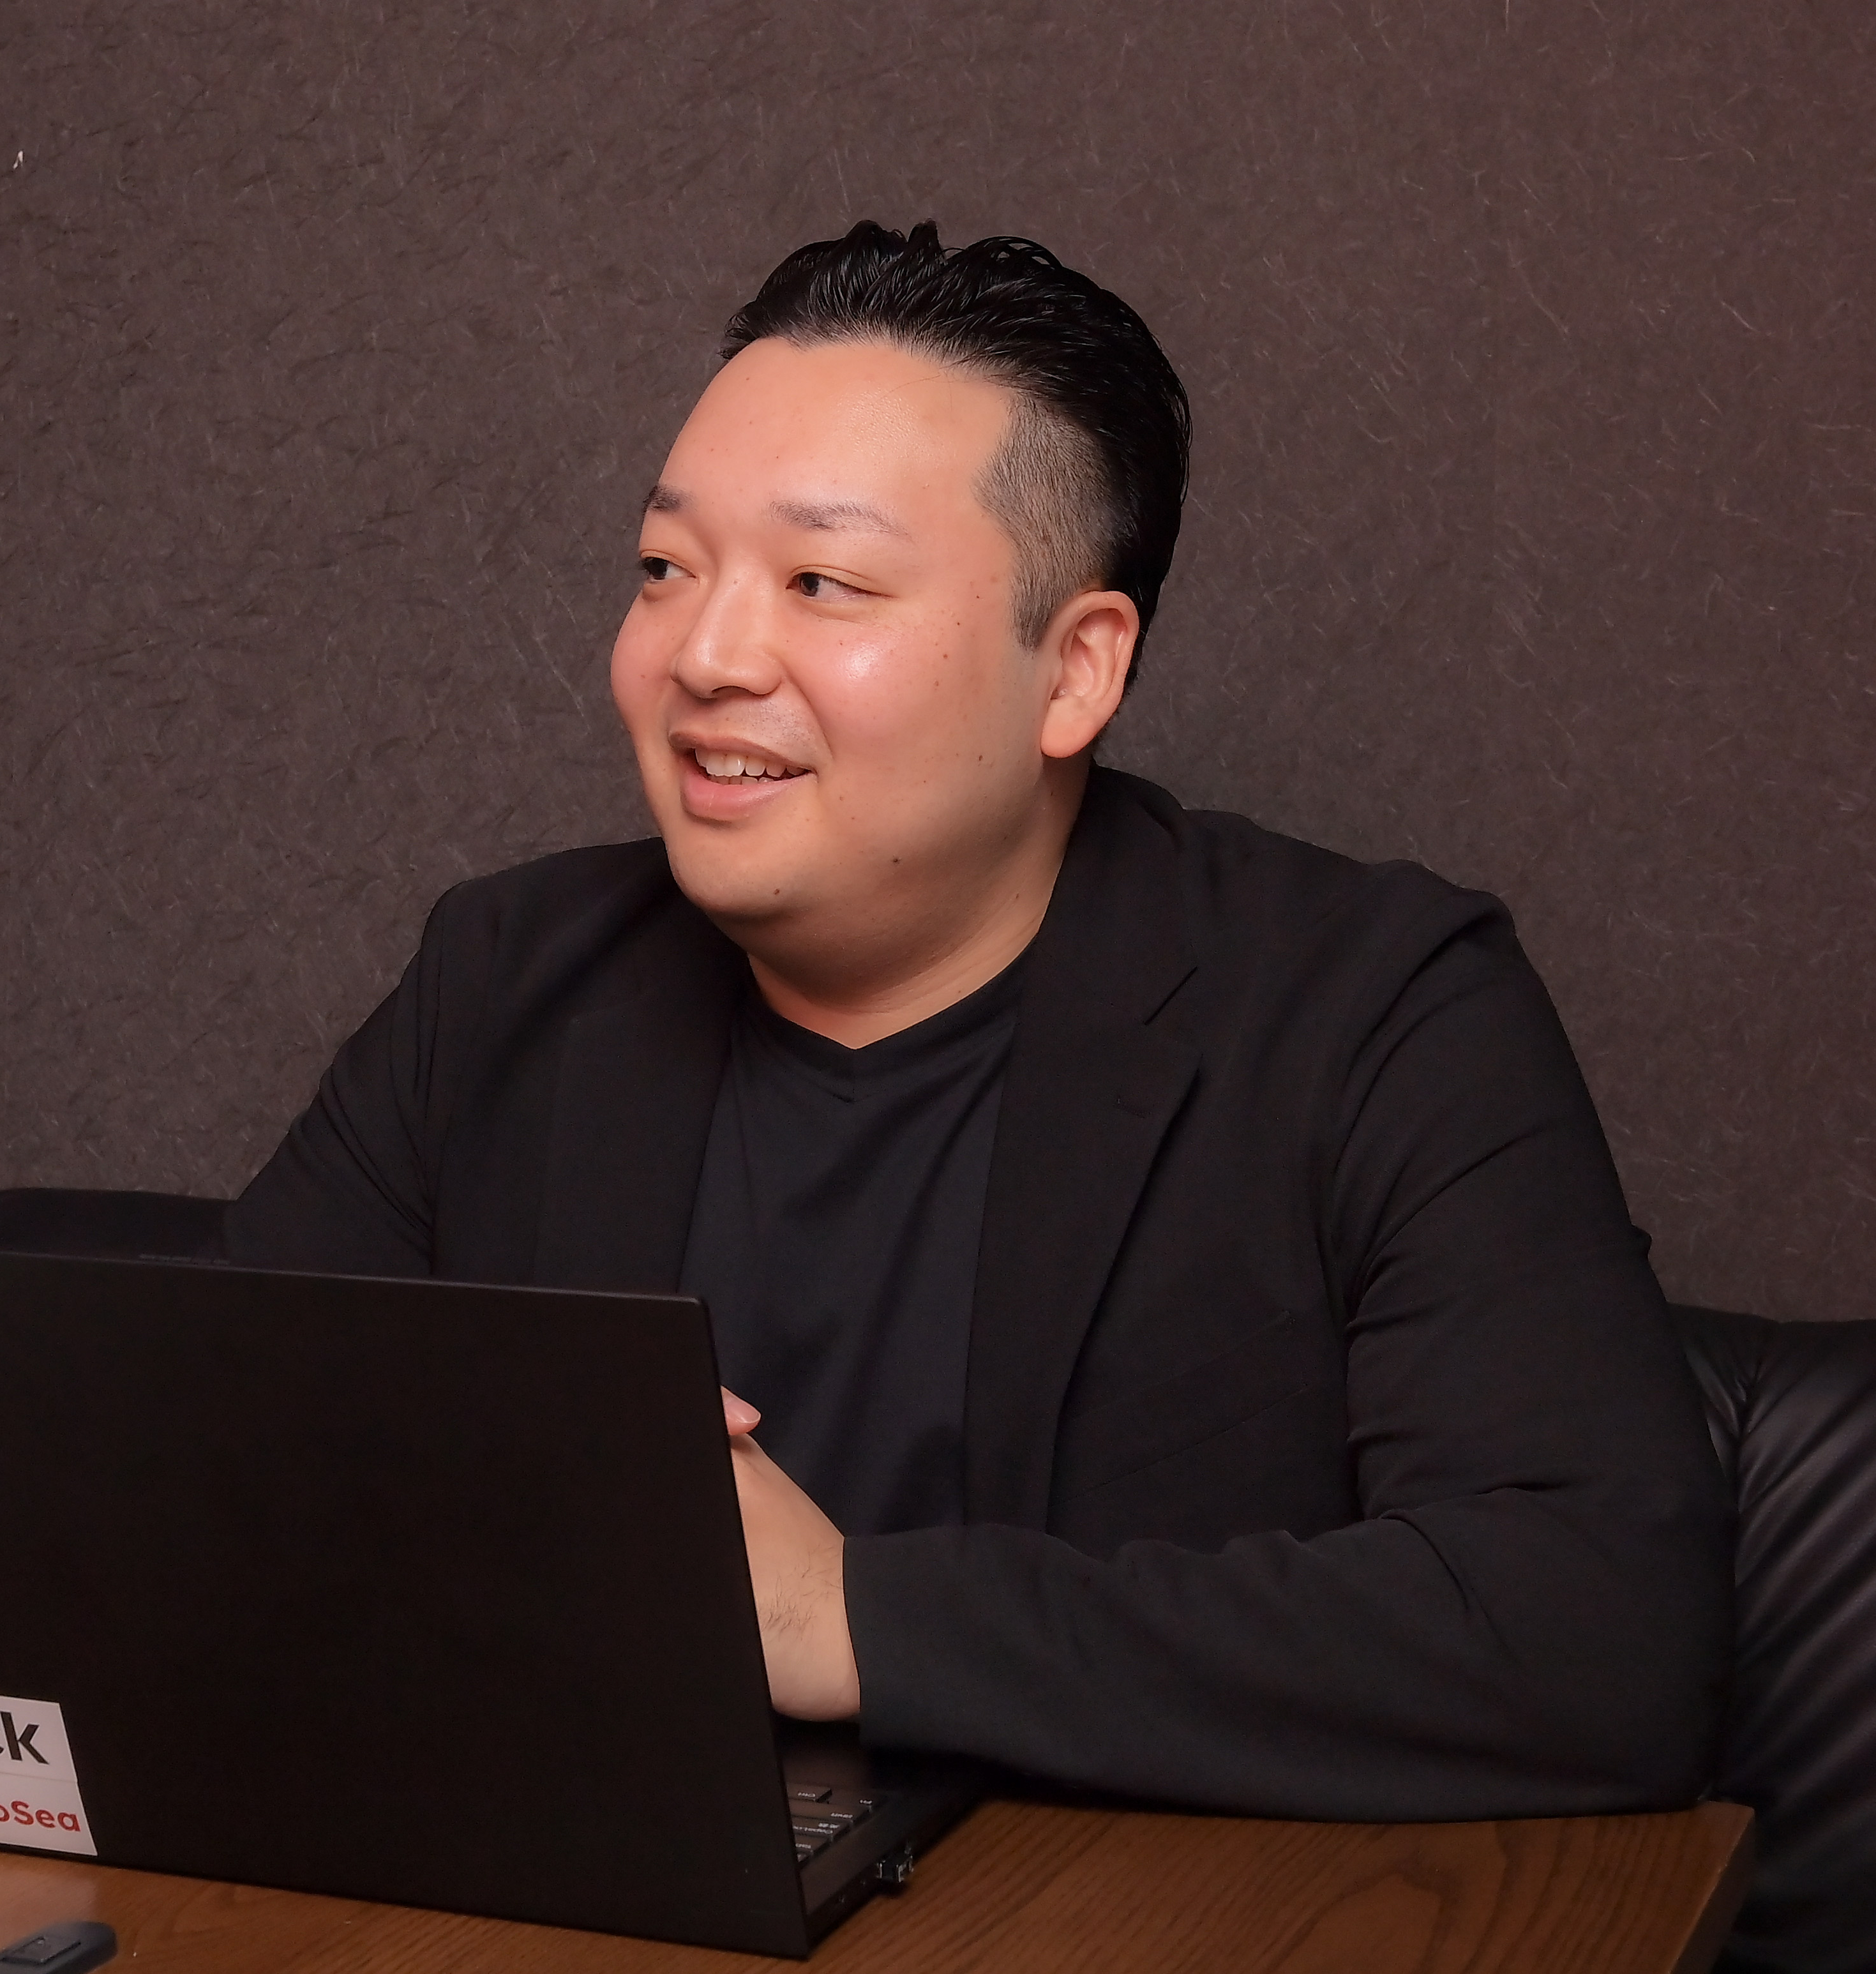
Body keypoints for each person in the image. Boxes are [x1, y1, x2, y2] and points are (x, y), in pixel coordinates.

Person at [224, 222, 1729, 1819]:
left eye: (822, 582)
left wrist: (845, 1617)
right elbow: (185, 1468)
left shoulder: (1374, 1008)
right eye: (667, 568)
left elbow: (1600, 1633)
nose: (705, 655)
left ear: (1074, 671)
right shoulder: (507, 976)